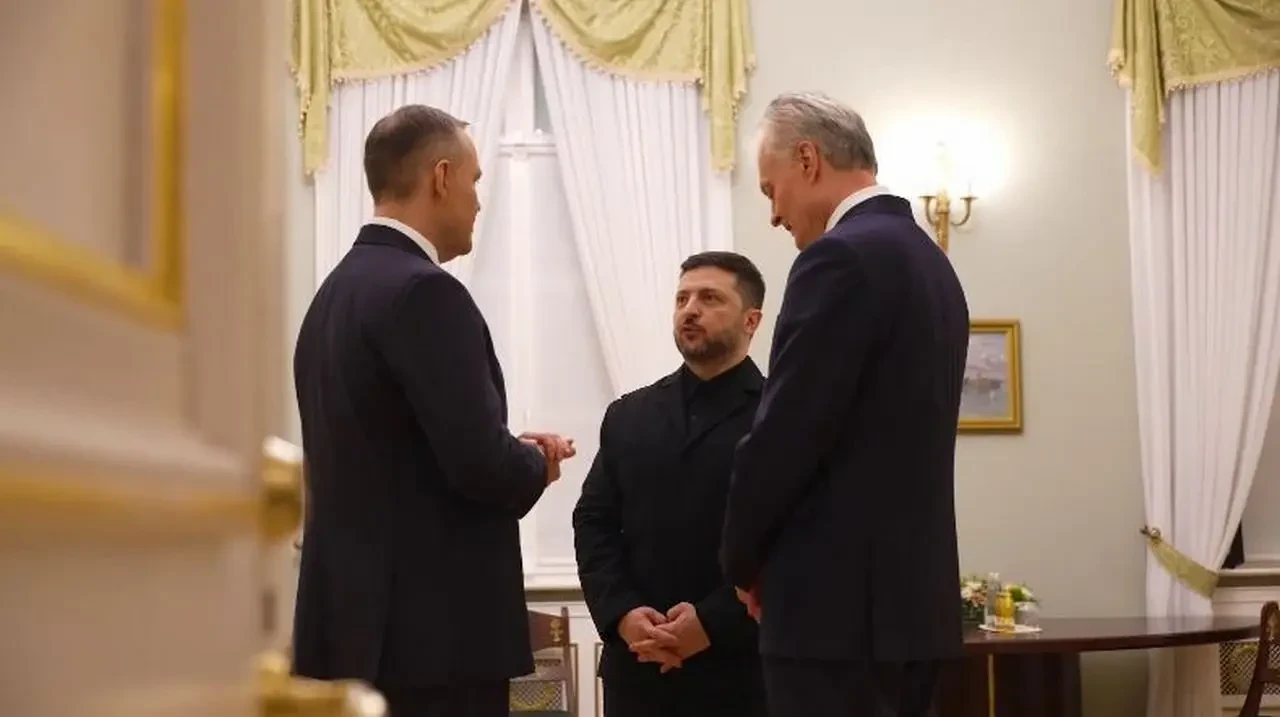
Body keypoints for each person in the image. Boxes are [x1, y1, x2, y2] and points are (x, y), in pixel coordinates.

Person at [292, 104, 575, 717]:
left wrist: (503, 449)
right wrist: (536, 463)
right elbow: (478, 464)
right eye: (475, 181)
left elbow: (395, 451)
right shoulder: (425, 292)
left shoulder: (333, 296)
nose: (478, 201)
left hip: (351, 630)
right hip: (432, 641)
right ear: (441, 178)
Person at [720, 92, 970, 716]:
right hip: (913, 611)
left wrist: (742, 561)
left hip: (834, 616)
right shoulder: (931, 262)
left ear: (808, 160)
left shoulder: (838, 258)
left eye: (771, 190)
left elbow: (787, 434)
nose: (774, 215)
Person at [573, 252, 770, 717]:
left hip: (743, 670)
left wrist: (711, 623)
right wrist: (623, 614)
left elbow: (792, 537)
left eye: (710, 298)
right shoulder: (629, 414)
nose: (690, 310)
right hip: (638, 667)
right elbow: (594, 523)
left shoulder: (779, 413)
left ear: (751, 320)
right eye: (682, 299)